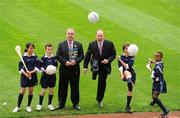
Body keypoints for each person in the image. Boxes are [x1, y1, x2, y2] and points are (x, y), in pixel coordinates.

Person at [83, 29, 116, 108]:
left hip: (104, 66)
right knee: (94, 63)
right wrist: (85, 67)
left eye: (101, 36)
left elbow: (113, 54)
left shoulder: (109, 44)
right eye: (98, 36)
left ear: (103, 36)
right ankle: (94, 72)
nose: (100, 37)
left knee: (102, 83)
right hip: (95, 63)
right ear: (96, 36)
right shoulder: (92, 44)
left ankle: (99, 100)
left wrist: (108, 60)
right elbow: (87, 56)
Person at [56, 28, 84, 110]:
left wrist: (75, 61)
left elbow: (82, 55)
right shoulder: (61, 44)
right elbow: (58, 55)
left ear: (74, 35)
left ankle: (75, 104)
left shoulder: (78, 44)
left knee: (75, 87)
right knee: (62, 87)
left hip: (74, 70)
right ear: (66, 34)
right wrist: (65, 62)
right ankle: (61, 104)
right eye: (69, 33)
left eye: (72, 34)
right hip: (64, 70)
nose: (70, 35)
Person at [13, 42, 39, 113]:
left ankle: (28, 106)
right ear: (27, 49)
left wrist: (31, 72)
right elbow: (20, 68)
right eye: (30, 48)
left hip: (32, 76)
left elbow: (37, 67)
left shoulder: (35, 57)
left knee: (30, 91)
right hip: (24, 77)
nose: (32, 49)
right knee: (22, 91)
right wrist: (26, 74)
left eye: (33, 48)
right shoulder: (23, 57)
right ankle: (18, 106)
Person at [36, 44, 58, 111]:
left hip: (52, 76)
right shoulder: (43, 58)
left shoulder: (54, 58)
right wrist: (45, 71)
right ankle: (39, 104)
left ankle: (50, 104)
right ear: (45, 49)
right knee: (43, 90)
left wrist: (54, 70)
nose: (49, 51)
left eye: (51, 49)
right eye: (48, 49)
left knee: (51, 90)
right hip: (45, 76)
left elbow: (56, 67)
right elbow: (40, 68)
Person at [148, 52, 169, 116]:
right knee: (153, 93)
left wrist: (150, 68)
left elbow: (157, 73)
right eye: (155, 57)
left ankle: (165, 110)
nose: (156, 58)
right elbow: (158, 62)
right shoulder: (160, 62)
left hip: (158, 83)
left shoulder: (159, 66)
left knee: (154, 96)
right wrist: (153, 61)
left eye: (157, 57)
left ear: (161, 58)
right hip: (156, 82)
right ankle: (153, 103)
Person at [118, 44, 136, 113]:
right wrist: (121, 75)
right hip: (125, 72)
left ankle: (127, 106)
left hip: (132, 72)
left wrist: (120, 60)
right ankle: (129, 81)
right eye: (127, 49)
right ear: (124, 50)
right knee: (126, 71)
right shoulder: (121, 56)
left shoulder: (132, 57)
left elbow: (128, 66)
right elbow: (120, 67)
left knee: (130, 89)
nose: (129, 50)